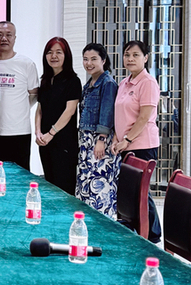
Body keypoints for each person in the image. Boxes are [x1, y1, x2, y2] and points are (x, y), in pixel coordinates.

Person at [111, 40, 162, 243]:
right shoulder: (124, 82)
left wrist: (127, 139)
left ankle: (152, 235)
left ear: (145, 58)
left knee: (140, 191)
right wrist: (116, 138)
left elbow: (144, 117)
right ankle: (139, 230)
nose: (130, 59)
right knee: (131, 192)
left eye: (135, 55)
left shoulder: (148, 82)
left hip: (142, 144)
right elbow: (120, 114)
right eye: (127, 55)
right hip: (125, 144)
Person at [0, 21, 39, 170]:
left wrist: (20, 108)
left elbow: (34, 93)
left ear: (15, 38)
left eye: (8, 35)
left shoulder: (26, 64)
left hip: (19, 131)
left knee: (20, 177)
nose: (4, 39)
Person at [76, 43, 119, 217]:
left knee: (99, 185)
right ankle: (87, 220)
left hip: (98, 141)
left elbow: (107, 113)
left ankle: (102, 222)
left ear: (103, 60)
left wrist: (101, 139)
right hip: (86, 141)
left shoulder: (107, 83)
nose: (89, 63)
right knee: (86, 182)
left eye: (93, 59)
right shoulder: (89, 84)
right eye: (85, 59)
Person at [34, 37, 81, 195]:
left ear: (66, 56)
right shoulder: (46, 80)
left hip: (64, 143)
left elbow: (70, 111)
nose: (53, 56)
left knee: (64, 189)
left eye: (58, 52)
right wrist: (38, 132)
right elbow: (39, 109)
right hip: (45, 142)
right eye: (49, 52)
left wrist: (51, 133)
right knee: (49, 185)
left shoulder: (73, 81)